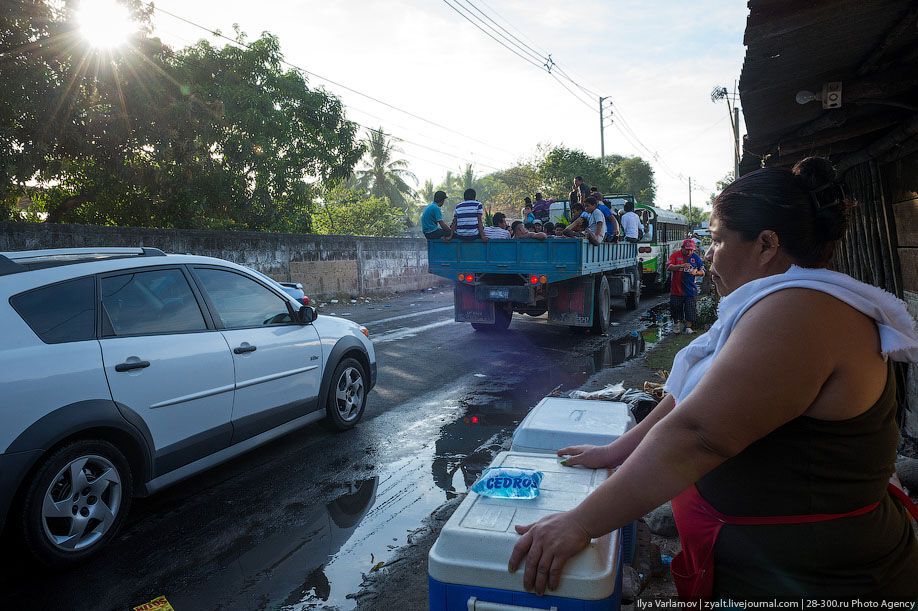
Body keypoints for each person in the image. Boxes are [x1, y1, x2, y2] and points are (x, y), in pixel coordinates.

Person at [506, 157, 918, 600]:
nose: (709, 253)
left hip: (819, 583)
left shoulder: (801, 313)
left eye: (718, 240)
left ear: (766, 244)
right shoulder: (776, 304)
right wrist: (616, 451)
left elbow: (699, 434)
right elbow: (687, 400)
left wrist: (579, 522)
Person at [666, 238, 705, 334]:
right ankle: (677, 324)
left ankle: (688, 327)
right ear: (682, 247)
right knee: (675, 308)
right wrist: (680, 266)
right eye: (687, 249)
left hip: (690, 289)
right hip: (676, 289)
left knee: (690, 309)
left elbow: (703, 271)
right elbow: (669, 267)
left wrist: (696, 272)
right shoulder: (675, 255)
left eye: (691, 249)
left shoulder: (696, 257)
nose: (689, 251)